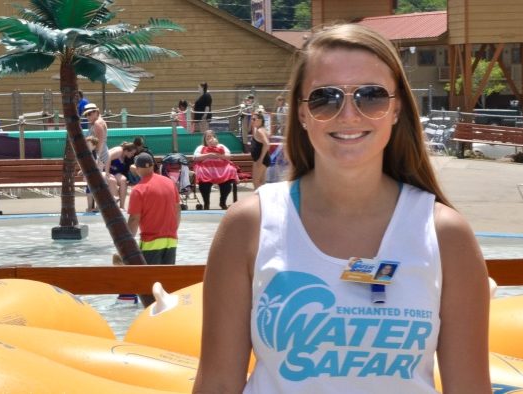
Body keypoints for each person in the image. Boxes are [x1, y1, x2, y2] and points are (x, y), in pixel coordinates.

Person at [194, 24, 490, 393]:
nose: (348, 114)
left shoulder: (445, 235)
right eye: (324, 98)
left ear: (396, 109)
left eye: (371, 96)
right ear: (301, 114)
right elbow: (218, 384)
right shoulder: (249, 225)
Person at [127, 152, 181, 265]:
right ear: (152, 165)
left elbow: (134, 220)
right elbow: (177, 211)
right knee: (166, 278)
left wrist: (127, 243)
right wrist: (173, 230)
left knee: (149, 280)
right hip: (171, 240)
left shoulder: (138, 190)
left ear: (137, 169)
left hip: (151, 242)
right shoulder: (170, 183)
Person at [192, 130, 238, 209]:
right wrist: (209, 155)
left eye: (212, 136)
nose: (210, 139)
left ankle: (222, 202)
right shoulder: (201, 147)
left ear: (215, 138)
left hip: (222, 169)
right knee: (204, 183)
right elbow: (195, 158)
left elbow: (229, 156)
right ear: (205, 139)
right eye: (208, 137)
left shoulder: (221, 146)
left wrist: (218, 155)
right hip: (206, 169)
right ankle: (206, 203)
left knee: (228, 178)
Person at [81, 136, 121, 212]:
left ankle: (101, 204)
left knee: (96, 190)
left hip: (94, 176)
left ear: (94, 146)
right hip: (91, 176)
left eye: (88, 144)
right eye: (85, 144)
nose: (86, 145)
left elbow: (94, 165)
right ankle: (91, 207)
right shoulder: (88, 154)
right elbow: (86, 165)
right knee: (90, 191)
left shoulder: (94, 154)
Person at [249, 110, 272, 189]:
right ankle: (264, 200)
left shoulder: (260, 131)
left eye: (254, 119)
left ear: (260, 121)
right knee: (262, 183)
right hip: (263, 159)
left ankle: (260, 199)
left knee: (256, 182)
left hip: (260, 160)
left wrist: (260, 159)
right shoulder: (260, 129)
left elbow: (266, 144)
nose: (252, 121)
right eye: (251, 119)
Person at [83, 103, 108, 169]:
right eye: (86, 115)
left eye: (89, 114)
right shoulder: (98, 122)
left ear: (96, 112)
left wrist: (96, 159)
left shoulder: (97, 123)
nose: (87, 117)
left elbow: (100, 142)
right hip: (99, 156)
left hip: (99, 157)